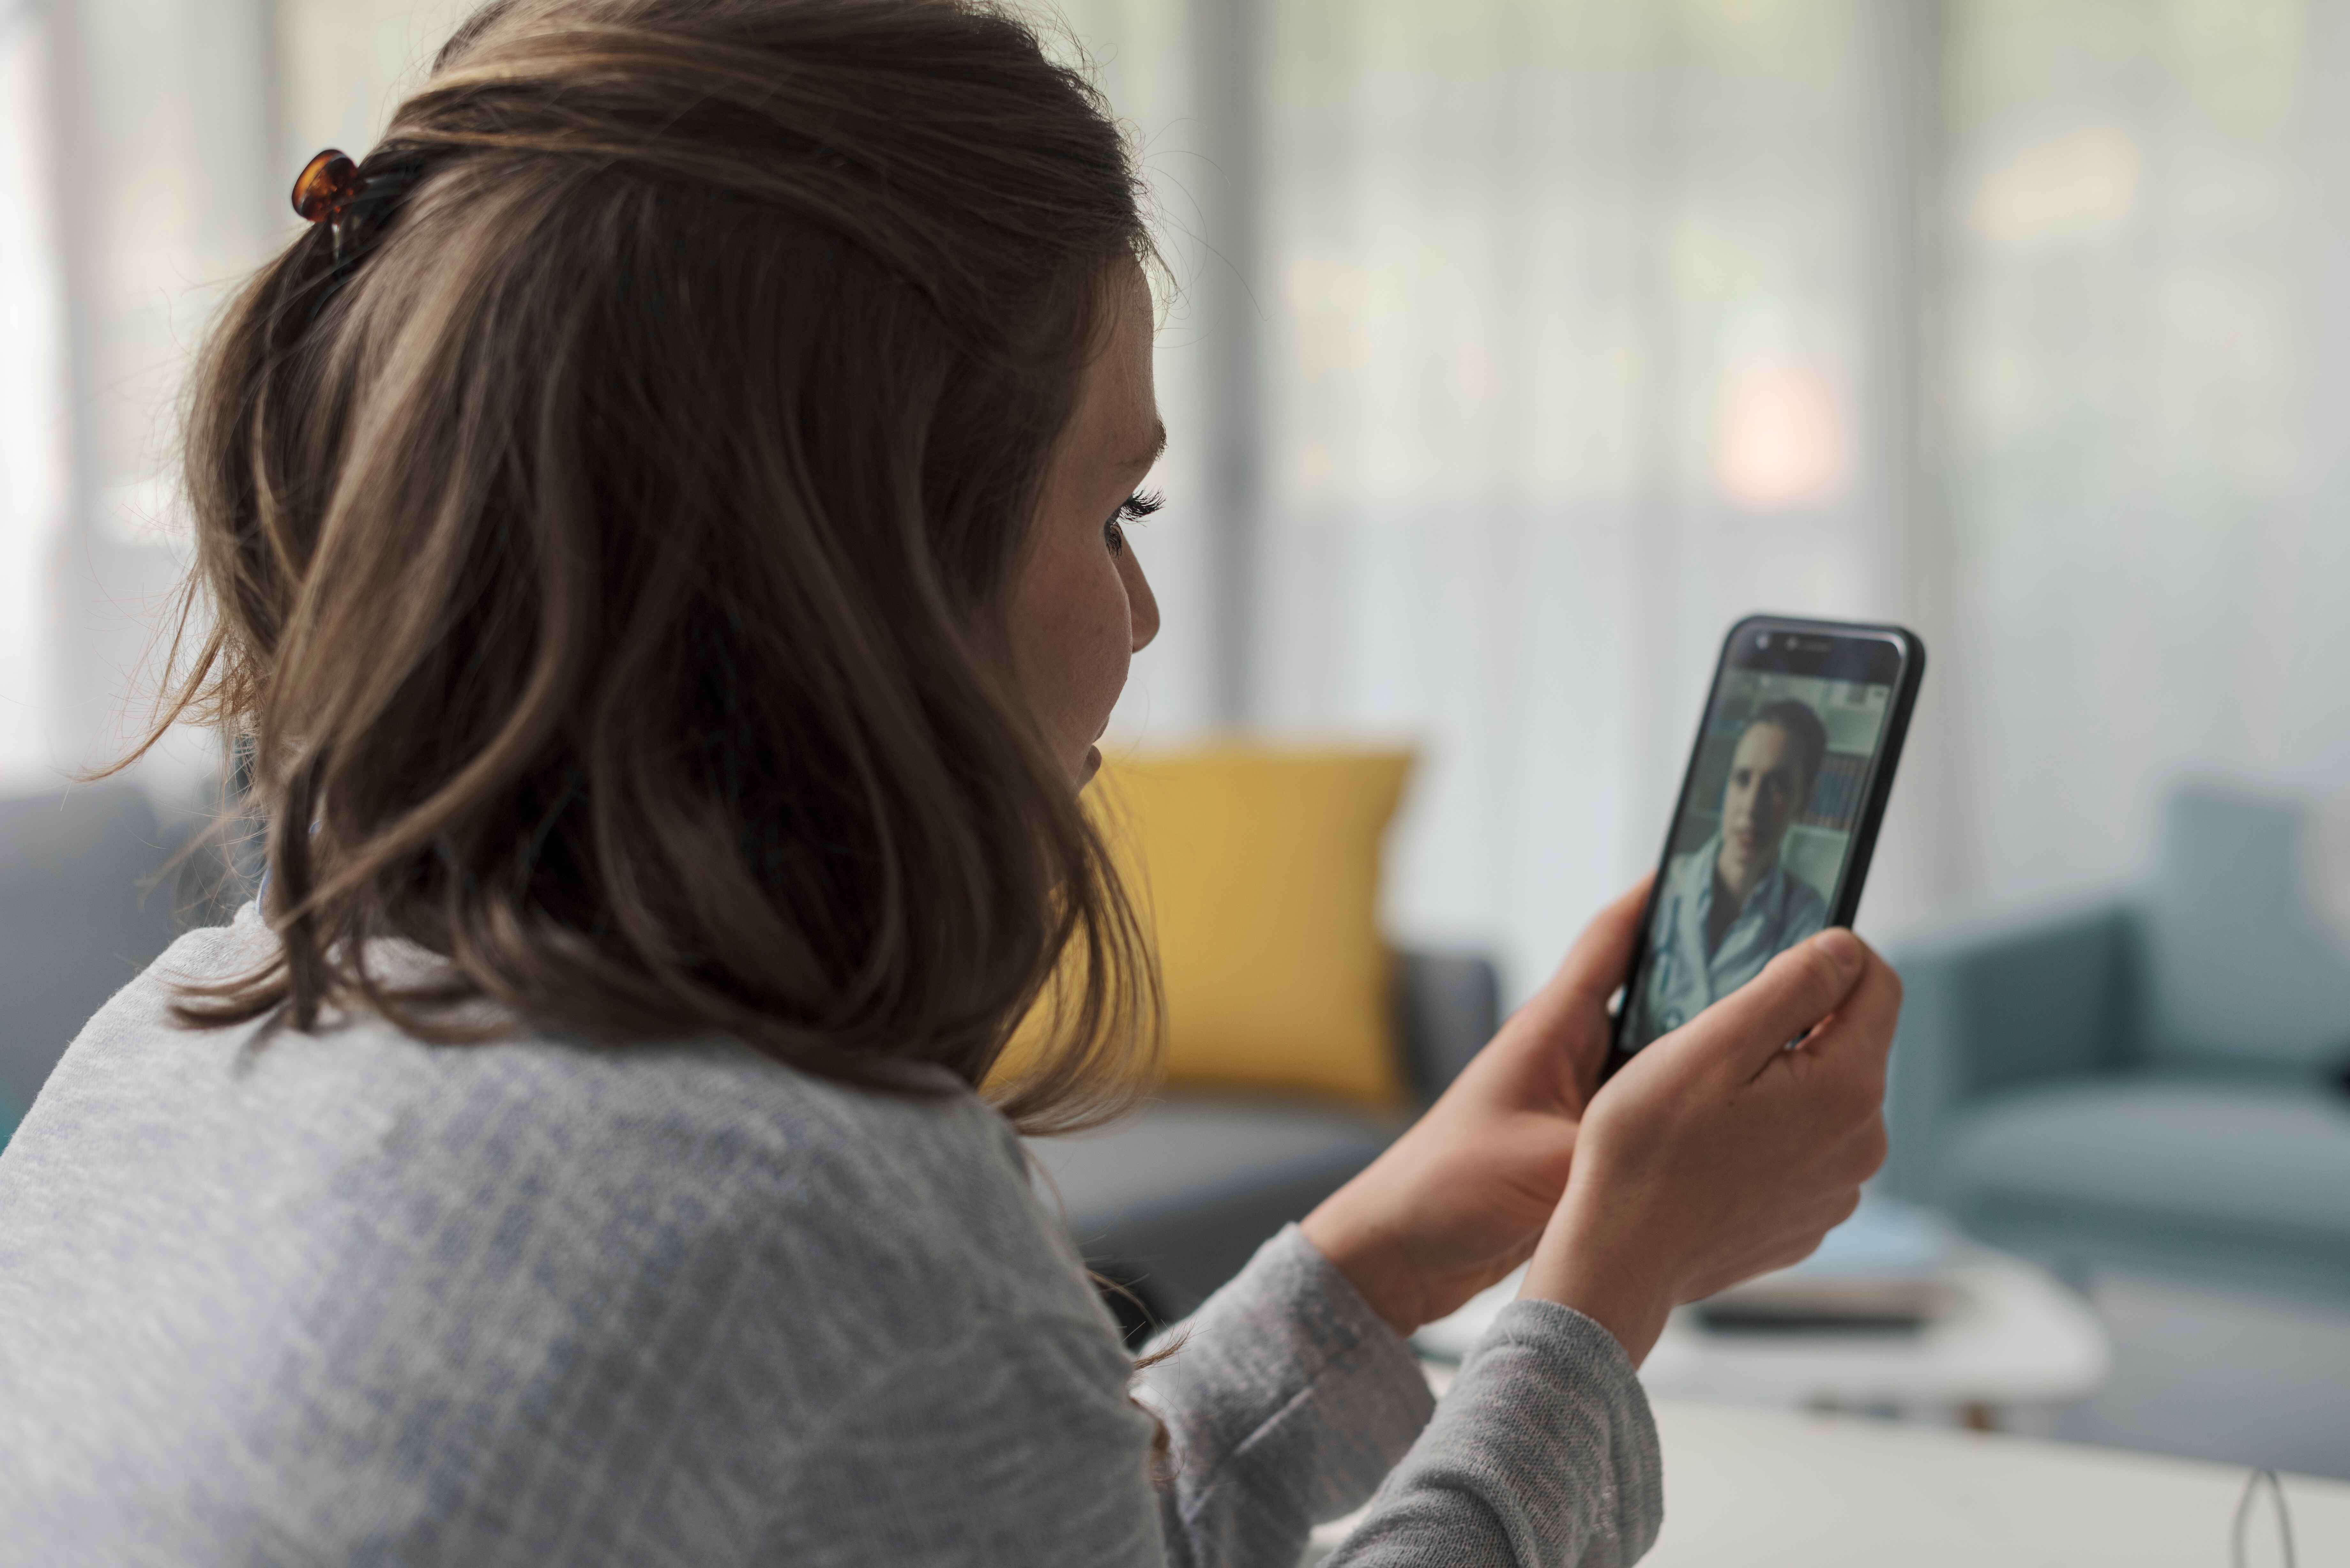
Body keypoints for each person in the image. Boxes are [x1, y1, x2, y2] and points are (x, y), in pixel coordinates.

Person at [0, 4, 1898, 1563]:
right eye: (1112, 505)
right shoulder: (803, 1196)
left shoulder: (158, 1044)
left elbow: (982, 1508)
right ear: (857, 559)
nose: (1140, 614)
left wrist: (1383, 1245)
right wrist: (1600, 1294)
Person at [1628, 699, 1835, 1049]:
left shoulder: (1809, 921)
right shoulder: (1665, 888)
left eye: (1776, 786)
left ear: (1803, 801)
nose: (1752, 806)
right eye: (1742, 779)